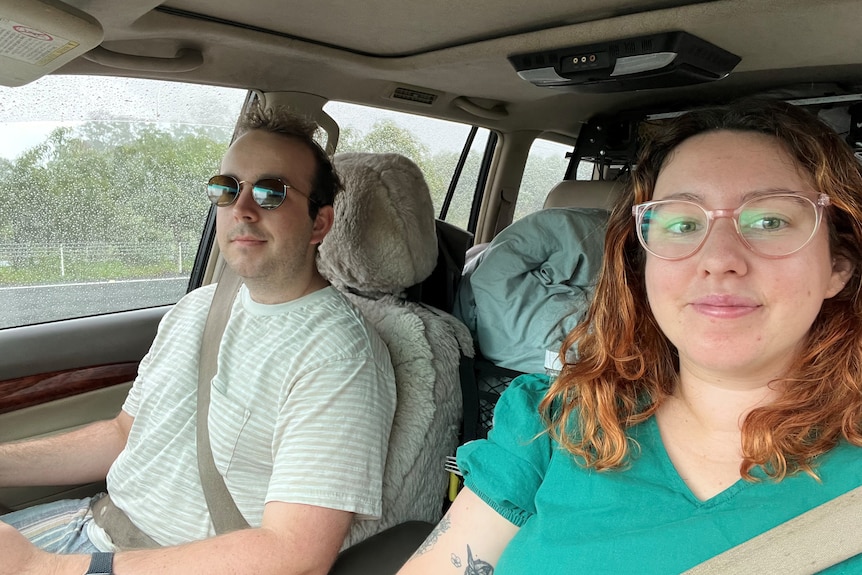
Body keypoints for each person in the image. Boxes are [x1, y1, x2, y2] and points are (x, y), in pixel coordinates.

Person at [397, 98, 862, 574]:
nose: (719, 257)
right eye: (681, 223)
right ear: (641, 266)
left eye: (770, 221)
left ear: (838, 265)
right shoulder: (553, 420)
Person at [0, 104, 397, 575]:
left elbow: (296, 554)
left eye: (271, 192)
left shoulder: (339, 354)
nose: (242, 209)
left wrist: (46, 568)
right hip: (93, 527)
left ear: (319, 224)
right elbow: (124, 435)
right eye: (226, 189)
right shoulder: (198, 308)